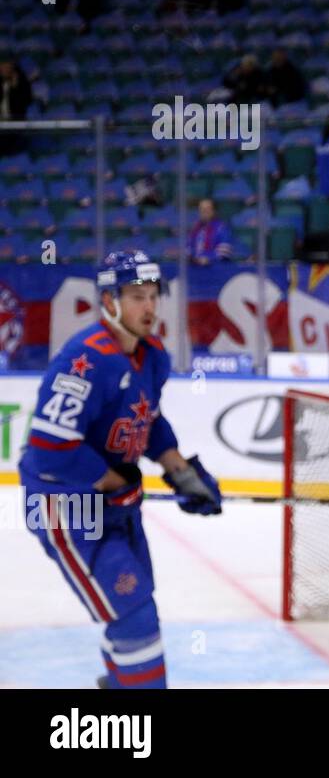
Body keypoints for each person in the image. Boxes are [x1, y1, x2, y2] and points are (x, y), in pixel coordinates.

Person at [18, 251, 222, 689]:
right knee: (134, 616)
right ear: (109, 301)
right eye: (136, 297)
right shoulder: (85, 361)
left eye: (153, 296)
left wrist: (180, 471)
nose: (149, 308)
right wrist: (116, 483)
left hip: (112, 506)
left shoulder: (152, 356)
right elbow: (51, 449)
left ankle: (119, 686)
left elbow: (148, 421)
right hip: (66, 508)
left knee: (136, 602)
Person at [187, 198, 234, 265]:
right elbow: (188, 247)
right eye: (201, 209)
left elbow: (224, 252)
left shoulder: (222, 228)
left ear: (214, 211)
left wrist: (207, 258)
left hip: (215, 268)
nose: (203, 211)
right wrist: (191, 257)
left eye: (207, 208)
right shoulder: (195, 229)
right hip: (195, 267)